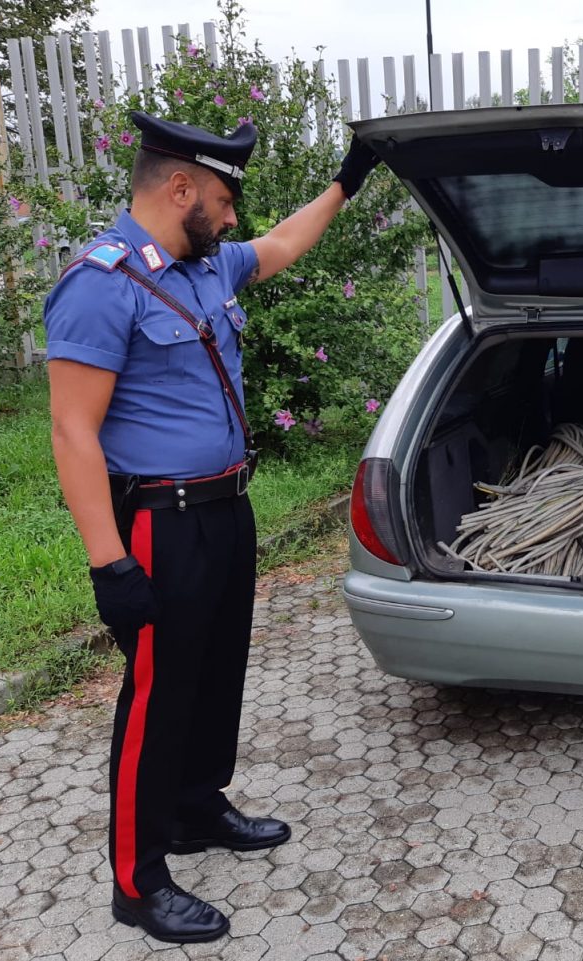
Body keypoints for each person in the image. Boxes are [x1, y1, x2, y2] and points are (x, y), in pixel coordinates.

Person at [43, 111, 377, 944]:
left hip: (229, 508)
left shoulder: (205, 265)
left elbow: (284, 246)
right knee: (156, 698)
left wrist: (350, 179)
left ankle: (196, 808)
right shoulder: (101, 282)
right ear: (181, 187)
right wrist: (107, 564)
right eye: (225, 200)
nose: (234, 220)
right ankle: (138, 877)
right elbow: (71, 430)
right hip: (161, 523)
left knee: (215, 672)